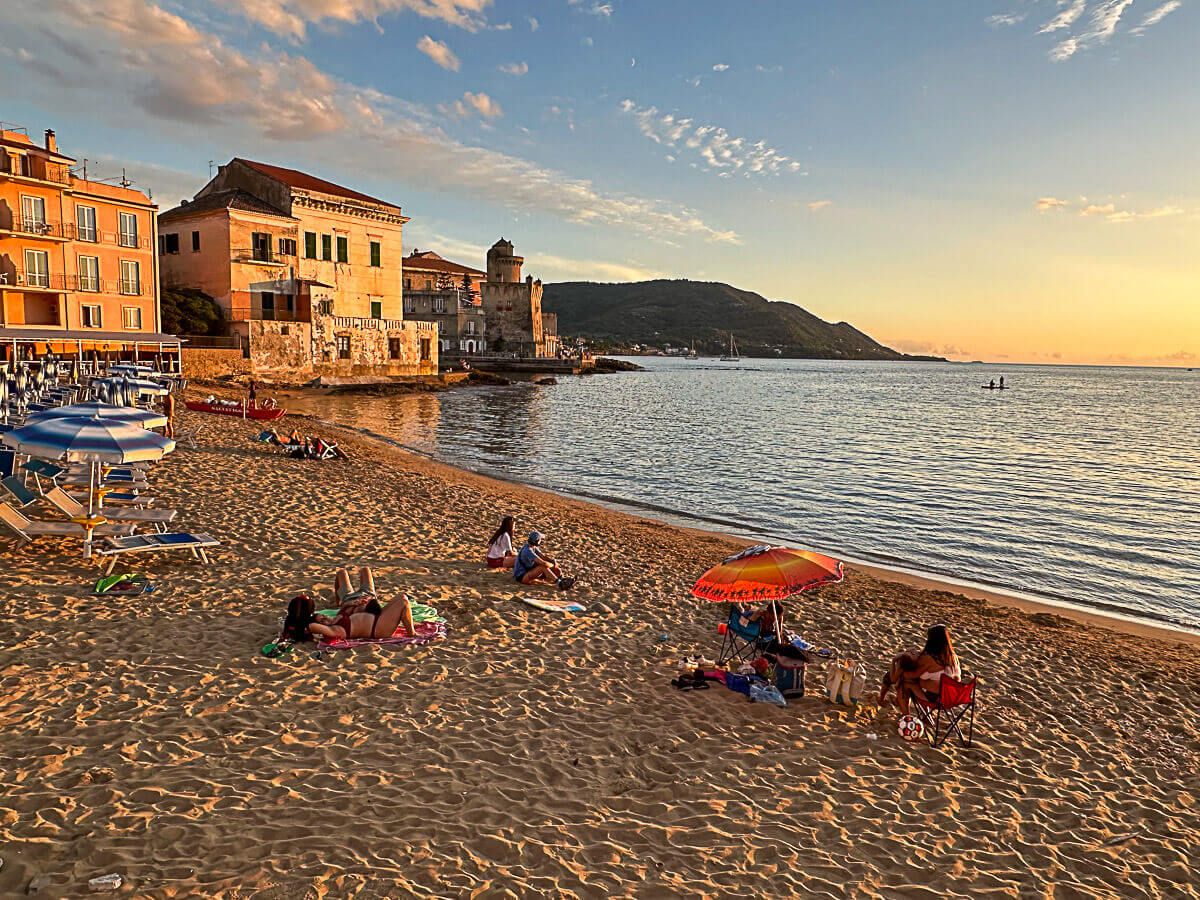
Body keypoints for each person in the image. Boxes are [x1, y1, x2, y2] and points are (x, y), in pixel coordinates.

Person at [289, 566, 415, 642]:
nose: (326, 617)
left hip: (375, 616)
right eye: (323, 620)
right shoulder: (335, 630)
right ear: (321, 627)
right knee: (403, 602)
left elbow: (320, 621)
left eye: (324, 616)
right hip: (378, 628)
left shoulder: (337, 618)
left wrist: (349, 604)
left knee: (402, 596)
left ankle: (411, 631)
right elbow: (311, 626)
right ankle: (412, 634)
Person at [879, 624, 962, 714]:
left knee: (904, 683)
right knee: (912, 681)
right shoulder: (953, 656)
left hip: (937, 700)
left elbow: (909, 675)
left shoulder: (930, 659)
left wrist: (898, 664)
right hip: (952, 698)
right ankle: (923, 715)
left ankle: (906, 716)